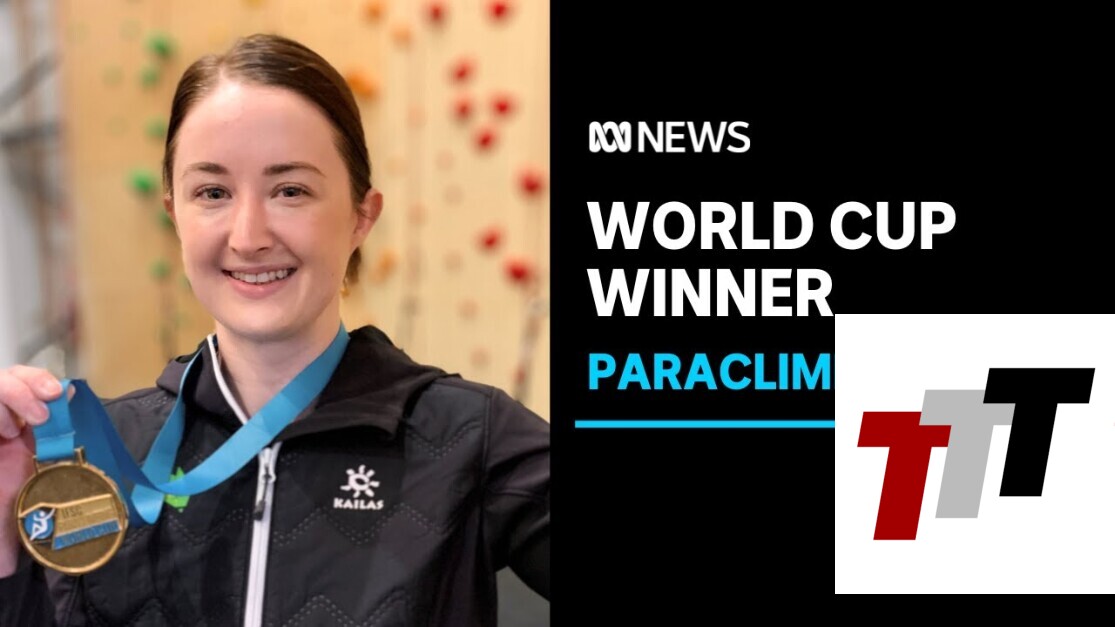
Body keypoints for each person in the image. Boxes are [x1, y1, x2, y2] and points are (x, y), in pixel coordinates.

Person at [0, 33, 549, 626]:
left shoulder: (467, 437)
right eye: (212, 192)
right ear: (175, 214)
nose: (248, 236)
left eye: (291, 191)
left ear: (361, 217)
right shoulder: (96, 459)